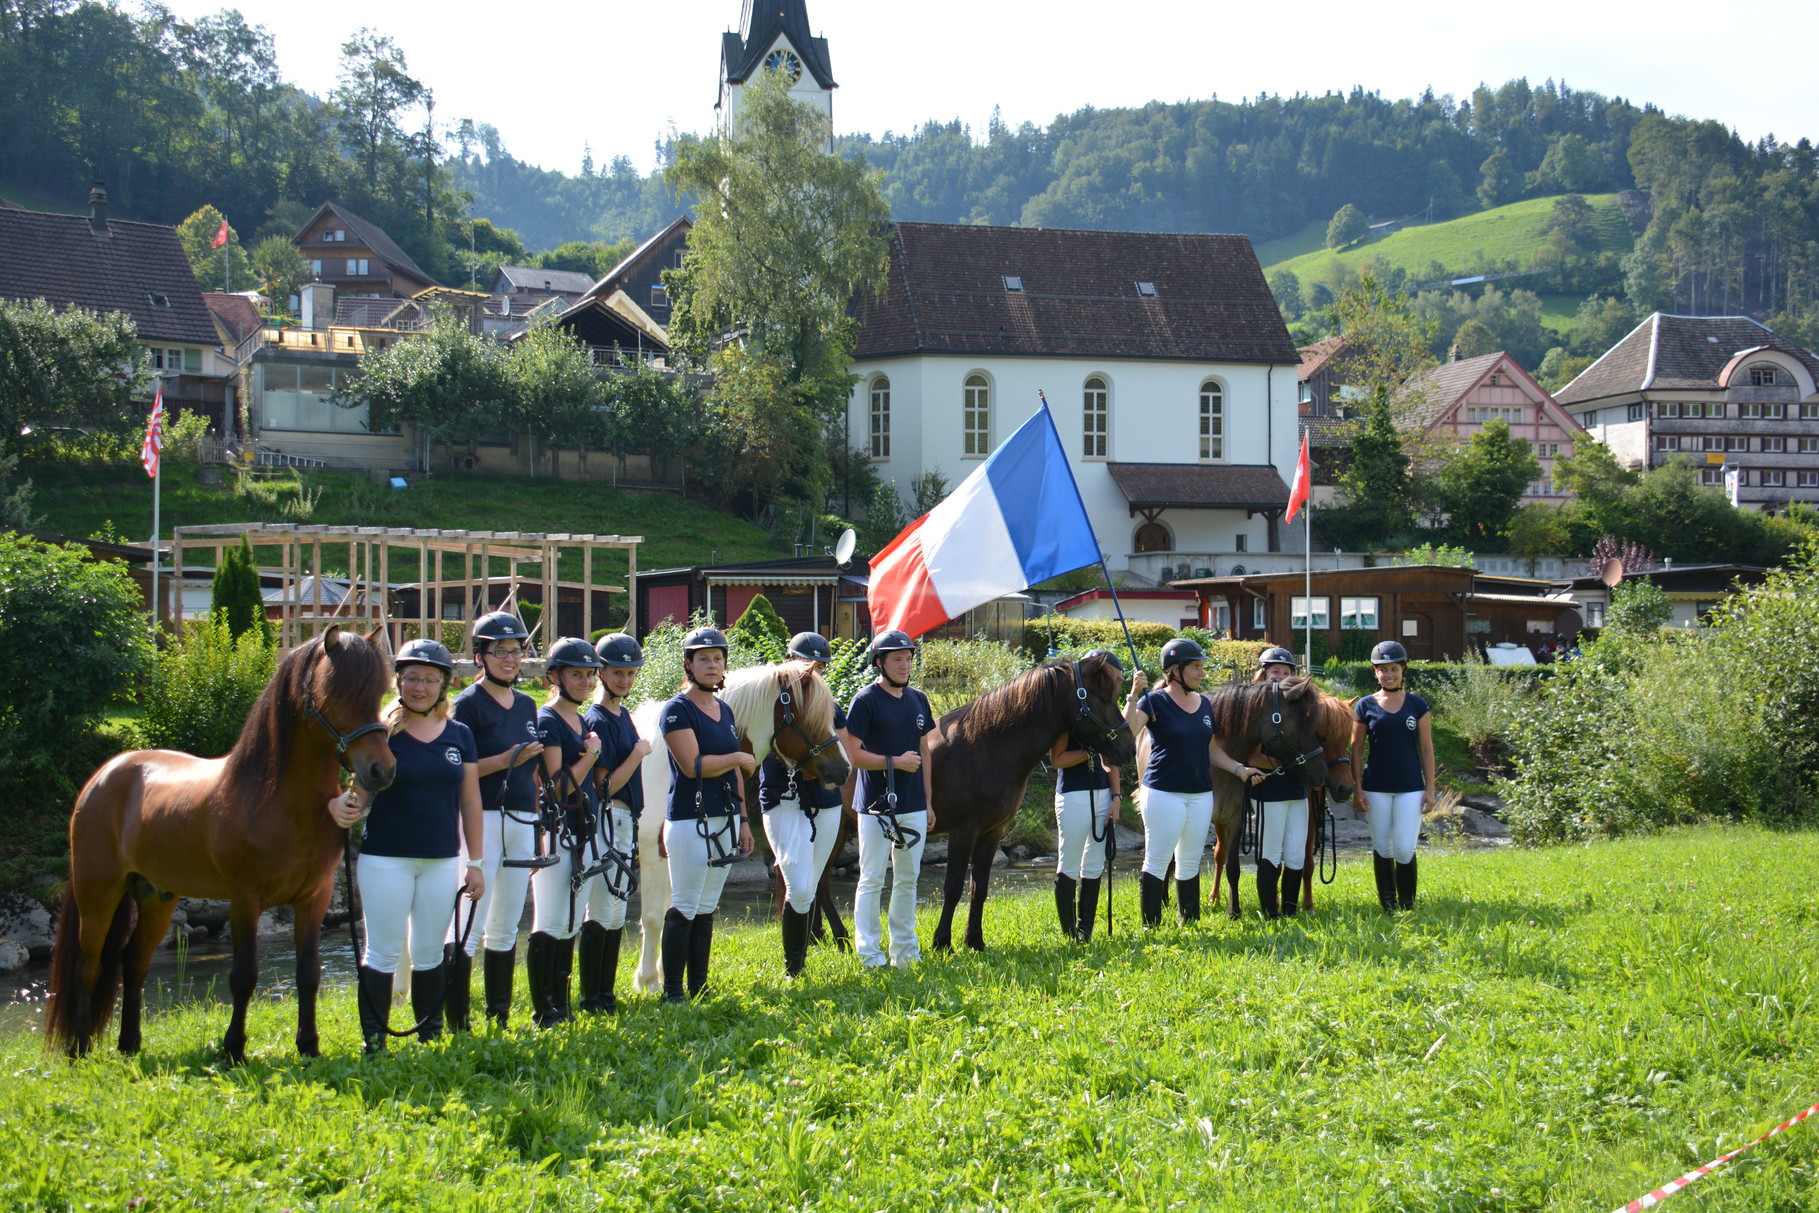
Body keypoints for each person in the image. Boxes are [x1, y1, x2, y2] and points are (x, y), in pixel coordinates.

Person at [328, 638, 484, 1054]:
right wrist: (341, 805)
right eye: (412, 678)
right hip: (386, 859)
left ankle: (430, 1035)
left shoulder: (460, 735)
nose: (420, 687)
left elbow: (470, 801)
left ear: (443, 685)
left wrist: (477, 863)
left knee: (431, 949)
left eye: (429, 679)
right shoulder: (381, 733)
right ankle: (374, 1042)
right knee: (382, 949)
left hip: (441, 859)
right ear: (398, 681)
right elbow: (359, 793)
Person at [1122, 636, 1262, 927]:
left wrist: (1239, 770)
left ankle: (1189, 923)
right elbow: (1128, 732)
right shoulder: (1153, 701)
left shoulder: (1204, 704)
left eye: (1201, 667)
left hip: (1200, 795)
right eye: (1196, 667)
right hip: (1162, 792)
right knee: (1158, 860)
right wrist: (1134, 694)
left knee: (1189, 861)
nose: (1201, 673)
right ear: (1175, 670)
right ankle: (1152, 925)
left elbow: (1210, 749)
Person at [448, 611, 544, 1029]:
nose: (509, 659)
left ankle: (499, 1015)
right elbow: (455, 767)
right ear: (479, 655)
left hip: (522, 817)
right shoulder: (467, 705)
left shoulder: (526, 704)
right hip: (481, 817)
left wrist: (539, 820)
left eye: (516, 651)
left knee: (506, 921)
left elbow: (535, 773)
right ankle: (457, 1021)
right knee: (471, 919)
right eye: (499, 651)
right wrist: (504, 761)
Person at [658, 626, 756, 1004]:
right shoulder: (676, 710)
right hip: (688, 820)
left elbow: (735, 775)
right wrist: (736, 757)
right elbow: (691, 765)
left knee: (706, 906)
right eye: (704, 659)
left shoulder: (725, 708)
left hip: (726, 817)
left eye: (718, 659)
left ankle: (699, 985)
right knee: (684, 903)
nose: (713, 665)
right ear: (689, 664)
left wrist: (744, 819)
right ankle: (672, 991)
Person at [841, 630, 935, 969]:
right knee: (872, 879)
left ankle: (905, 952)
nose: (904, 664)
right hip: (874, 807)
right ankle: (869, 953)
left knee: (908, 878)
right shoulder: (865, 700)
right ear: (879, 662)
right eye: (897, 658)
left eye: (908, 658)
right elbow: (853, 754)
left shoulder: (919, 699)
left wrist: (928, 801)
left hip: (913, 805)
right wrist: (895, 762)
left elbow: (925, 751)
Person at [525, 637, 607, 1027]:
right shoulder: (548, 720)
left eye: (590, 675)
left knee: (572, 919)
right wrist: (591, 755)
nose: (586, 682)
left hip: (584, 829)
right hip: (557, 829)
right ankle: (545, 1009)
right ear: (556, 676)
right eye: (577, 675)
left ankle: (562, 1004)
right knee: (551, 919)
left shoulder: (581, 719)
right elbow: (557, 787)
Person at [758, 631, 849, 977]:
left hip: (825, 801)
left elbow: (842, 753)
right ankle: (793, 968)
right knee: (798, 882)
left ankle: (800, 959)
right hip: (782, 798)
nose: (814, 671)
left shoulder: (830, 706)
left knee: (809, 883)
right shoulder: (769, 705)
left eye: (820, 665)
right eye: (806, 663)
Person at [578, 632, 652, 1014]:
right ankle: (593, 997)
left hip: (625, 820)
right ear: (602, 673)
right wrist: (639, 754)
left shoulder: (621, 714)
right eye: (618, 673)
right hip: (609, 817)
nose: (625, 680)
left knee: (616, 908)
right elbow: (603, 785)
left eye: (630, 673)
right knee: (602, 907)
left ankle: (605, 995)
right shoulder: (599, 718)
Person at [1350, 640, 1437, 912]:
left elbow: (1426, 748)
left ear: (1403, 670)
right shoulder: (1365, 706)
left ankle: (1407, 905)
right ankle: (1388, 906)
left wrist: (1431, 788)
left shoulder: (1417, 705)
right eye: (1382, 669)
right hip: (1375, 787)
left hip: (1410, 787)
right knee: (1383, 847)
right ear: (1375, 672)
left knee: (1403, 848)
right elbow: (1355, 751)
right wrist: (1358, 788)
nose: (1388, 674)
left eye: (1394, 668)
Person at [1049, 648, 1124, 942]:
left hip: (1103, 794)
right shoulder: (1069, 712)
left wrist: (1116, 798)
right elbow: (1058, 759)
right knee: (1068, 863)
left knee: (1093, 865)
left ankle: (1086, 931)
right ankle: (1070, 934)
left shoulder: (1105, 710)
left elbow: (1112, 761)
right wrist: (1089, 751)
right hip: (1073, 794)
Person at [1248, 646, 1311, 918]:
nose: (1281, 676)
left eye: (1287, 672)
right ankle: (1270, 913)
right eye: (1276, 671)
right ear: (1263, 673)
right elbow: (1250, 754)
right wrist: (1285, 763)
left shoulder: (1298, 707)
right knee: (1271, 852)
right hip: (1267, 788)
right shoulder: (1250, 706)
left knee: (1296, 853)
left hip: (1297, 788)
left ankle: (1289, 910)